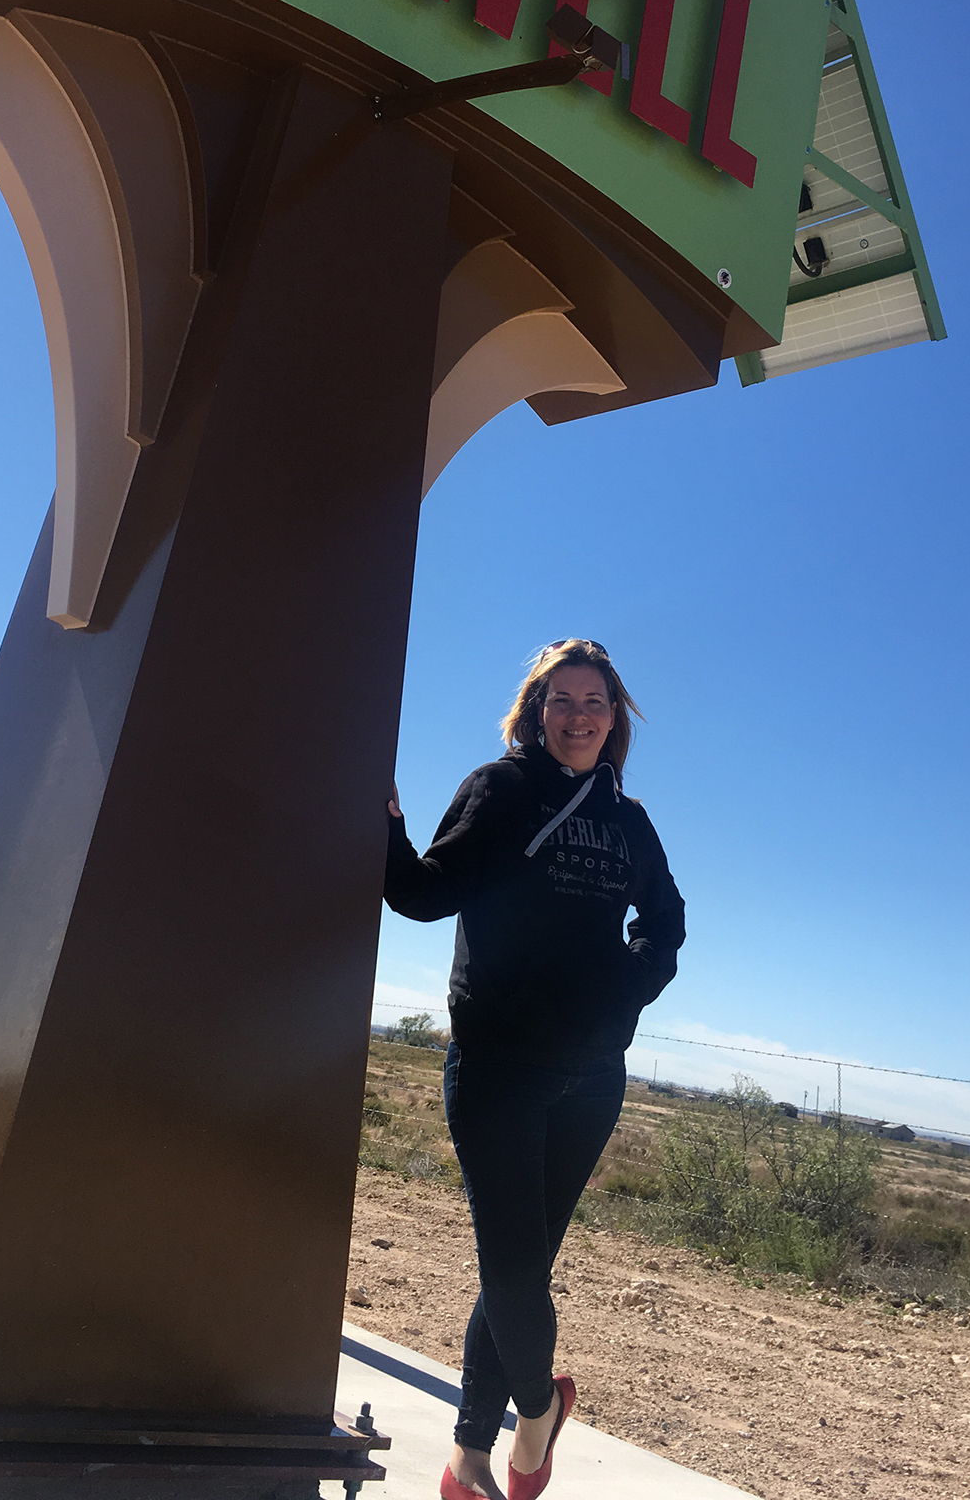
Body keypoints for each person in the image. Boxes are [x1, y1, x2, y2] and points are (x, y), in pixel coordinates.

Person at [383, 640, 685, 1500]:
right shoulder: (501, 790)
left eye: (595, 702)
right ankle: (539, 1412)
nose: (579, 715)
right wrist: (386, 826)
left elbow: (666, 924)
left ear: (614, 718)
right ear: (536, 710)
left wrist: (625, 990)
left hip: (591, 1078)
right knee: (512, 1269)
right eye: (562, 700)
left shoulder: (628, 820)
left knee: (519, 1270)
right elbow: (424, 893)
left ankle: (470, 1456)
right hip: (499, 1068)